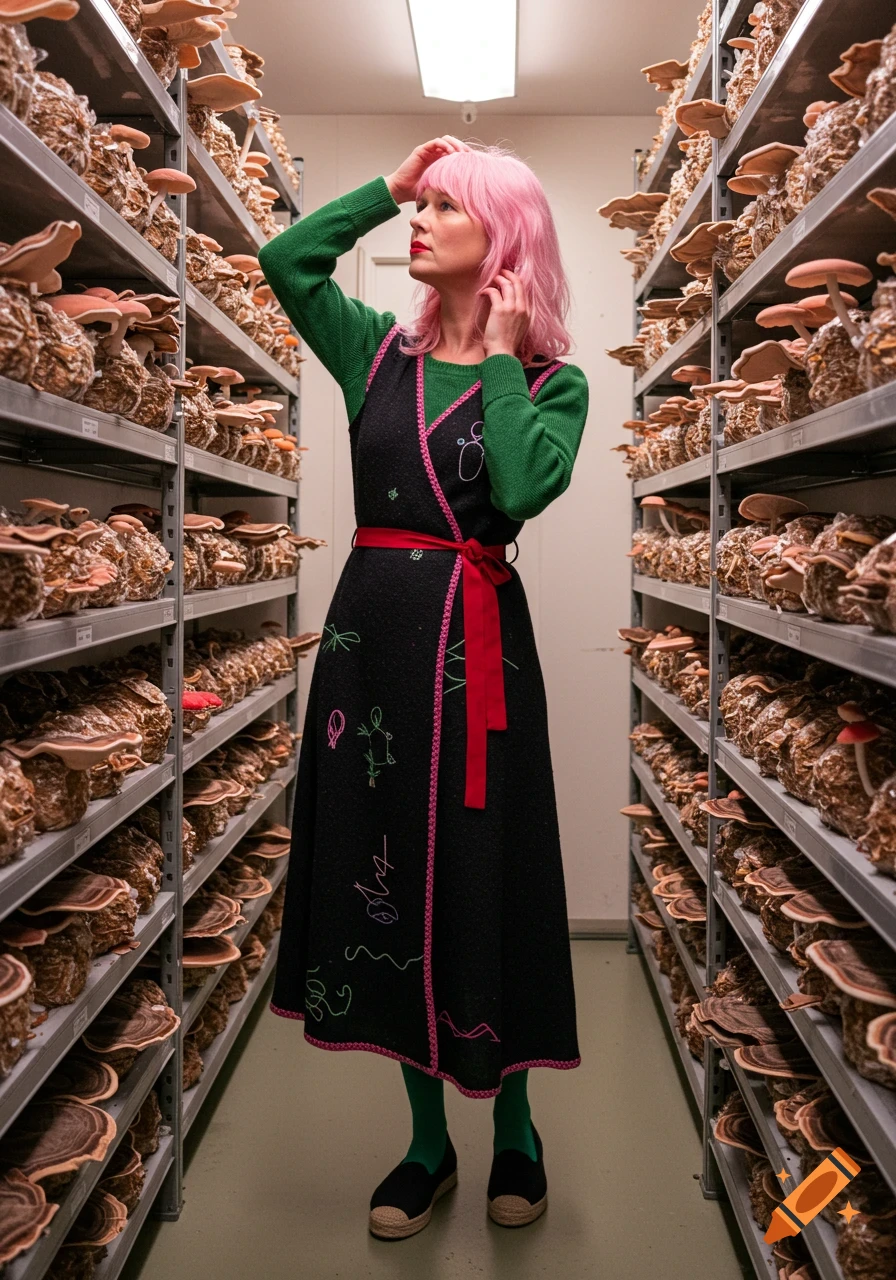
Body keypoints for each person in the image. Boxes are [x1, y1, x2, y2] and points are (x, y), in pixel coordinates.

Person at [257, 136, 589, 1240]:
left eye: (445, 207)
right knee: (384, 874)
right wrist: (389, 184)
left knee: (490, 875)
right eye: (422, 205)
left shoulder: (554, 382)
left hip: (481, 660)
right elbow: (286, 262)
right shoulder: (372, 354)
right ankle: (426, 1142)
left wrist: (497, 356)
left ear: (502, 238)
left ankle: (517, 1129)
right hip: (373, 658)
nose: (421, 221)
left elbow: (521, 486)